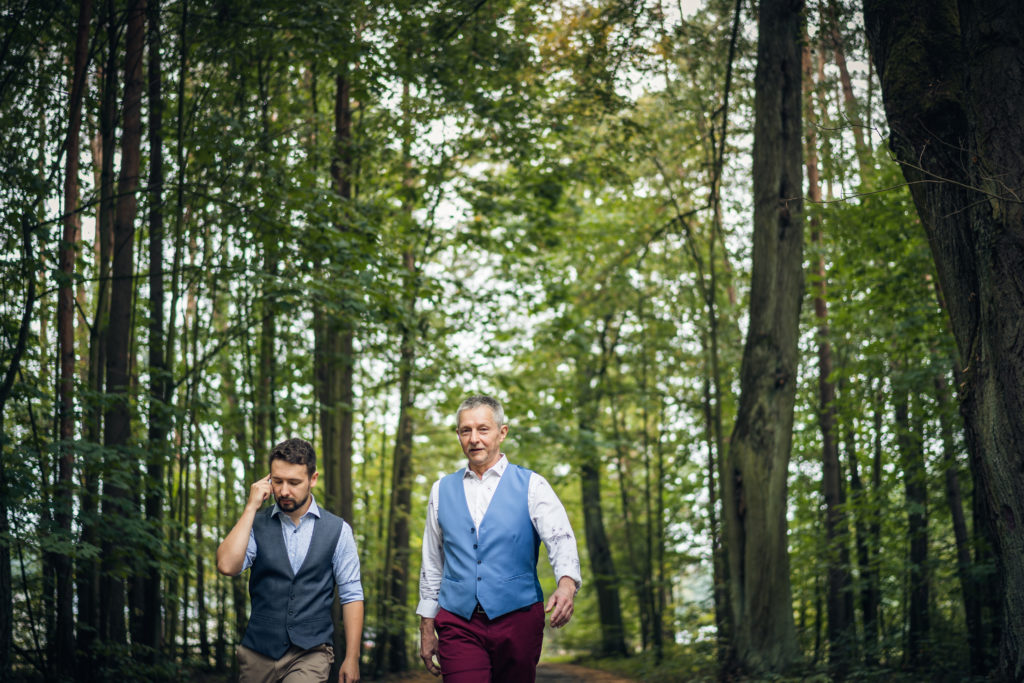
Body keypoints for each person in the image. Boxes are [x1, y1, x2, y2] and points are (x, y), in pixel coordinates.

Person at [417, 395, 582, 682]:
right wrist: (426, 625)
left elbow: (561, 539)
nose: (474, 439)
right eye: (466, 430)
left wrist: (566, 586)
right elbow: (432, 562)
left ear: (502, 432)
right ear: (458, 434)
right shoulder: (441, 490)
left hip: (518, 618)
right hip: (458, 622)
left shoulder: (532, 485)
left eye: (483, 429)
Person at [217, 438, 363, 683]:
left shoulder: (338, 530)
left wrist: (352, 657)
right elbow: (227, 566)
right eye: (277, 481)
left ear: (312, 479)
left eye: (294, 482)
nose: (284, 491)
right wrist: (251, 508)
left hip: (311, 652)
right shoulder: (255, 524)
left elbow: (352, 595)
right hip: (257, 653)